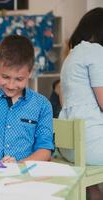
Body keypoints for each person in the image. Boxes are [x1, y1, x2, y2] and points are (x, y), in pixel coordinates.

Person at [0, 35, 54, 165]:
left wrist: (20, 164)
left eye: (19, 79)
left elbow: (45, 149)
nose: (11, 85)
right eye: (5, 77)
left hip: (26, 175)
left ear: (30, 73)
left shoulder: (42, 105)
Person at [58, 7, 103, 200]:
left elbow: (63, 100)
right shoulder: (95, 51)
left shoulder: (70, 57)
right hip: (91, 145)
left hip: (69, 146)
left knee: (92, 183)